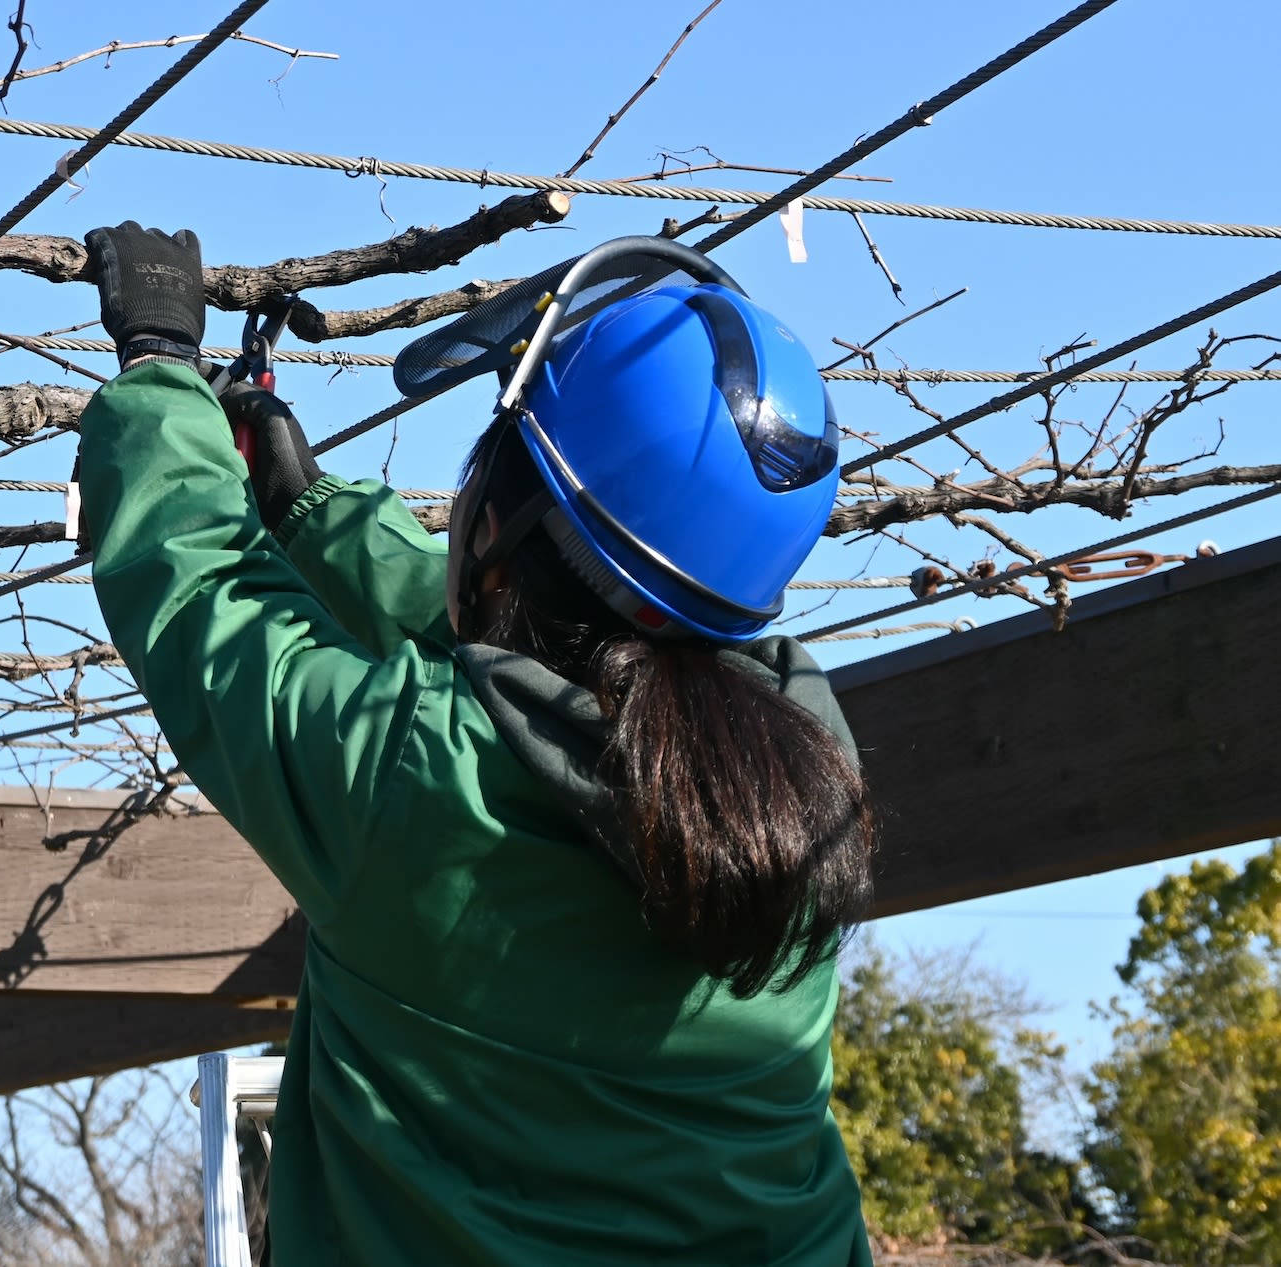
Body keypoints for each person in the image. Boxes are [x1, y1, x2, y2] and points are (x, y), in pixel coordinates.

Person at [75, 222, 877, 1266]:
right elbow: (568, 660)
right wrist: (313, 513)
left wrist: (158, 367)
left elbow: (201, 595)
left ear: (497, 517)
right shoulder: (807, 766)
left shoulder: (409, 783)